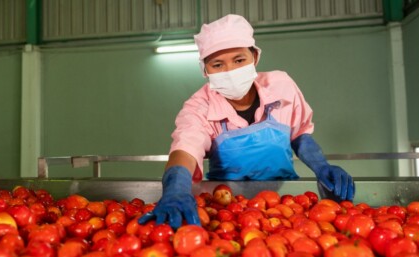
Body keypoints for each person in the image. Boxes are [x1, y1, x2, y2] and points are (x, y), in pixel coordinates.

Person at [138, 14, 355, 229]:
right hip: (227, 208)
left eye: (239, 60)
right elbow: (185, 148)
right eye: (217, 65)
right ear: (205, 70)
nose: (230, 71)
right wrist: (176, 186)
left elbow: (299, 133)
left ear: (255, 57)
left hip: (286, 204)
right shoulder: (199, 107)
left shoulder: (281, 85)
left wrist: (321, 166)